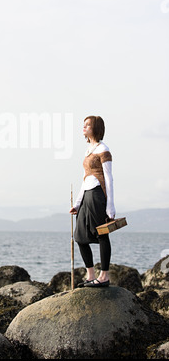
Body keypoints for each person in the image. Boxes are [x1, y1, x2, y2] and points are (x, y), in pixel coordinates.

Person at [69, 115, 115, 287]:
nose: (84, 127)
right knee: (79, 237)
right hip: (86, 195)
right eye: (84, 125)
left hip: (98, 195)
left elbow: (109, 179)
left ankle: (104, 276)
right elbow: (85, 178)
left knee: (102, 234)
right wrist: (77, 204)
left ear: (96, 128)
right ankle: (90, 275)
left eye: (87, 125)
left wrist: (110, 206)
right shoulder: (88, 150)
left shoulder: (104, 149)